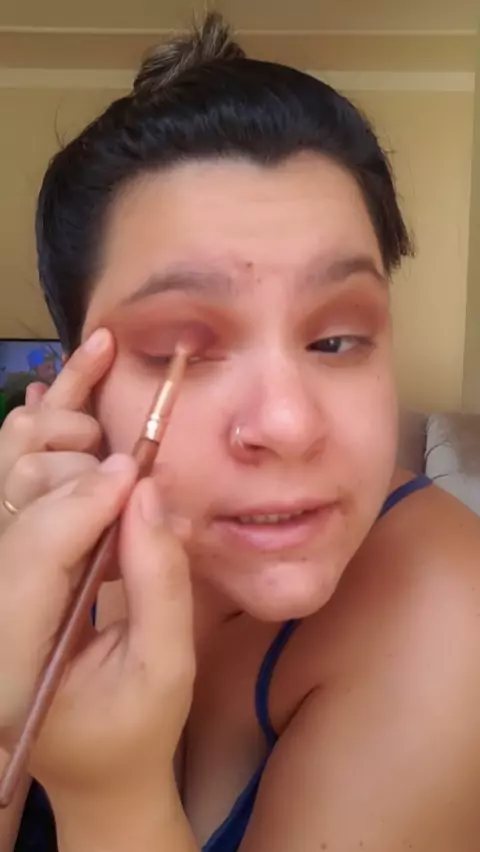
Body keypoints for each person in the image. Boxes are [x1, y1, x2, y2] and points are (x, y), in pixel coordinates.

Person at [0, 12, 480, 852]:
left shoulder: (453, 613)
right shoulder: (38, 542)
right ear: (81, 384)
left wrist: (108, 795)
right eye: (178, 351)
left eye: (337, 340)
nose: (288, 424)